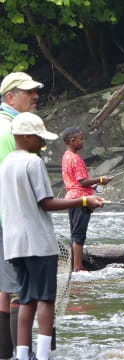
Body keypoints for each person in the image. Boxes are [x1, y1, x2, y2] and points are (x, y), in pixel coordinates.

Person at [0, 112, 104, 360]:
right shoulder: (33, 162)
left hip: (14, 244)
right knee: (46, 300)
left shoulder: (6, 164)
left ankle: (22, 355)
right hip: (38, 243)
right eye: (39, 138)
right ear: (26, 137)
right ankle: (44, 355)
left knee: (25, 299)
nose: (43, 144)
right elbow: (46, 202)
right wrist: (84, 200)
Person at [0, 72, 43, 360]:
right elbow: (14, 180)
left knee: (4, 290)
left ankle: (5, 353)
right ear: (10, 97)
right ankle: (20, 354)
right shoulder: (9, 131)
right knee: (18, 291)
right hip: (11, 222)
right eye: (28, 92)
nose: (35, 96)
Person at [61, 127, 112, 272]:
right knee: (79, 234)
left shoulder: (66, 155)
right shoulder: (75, 158)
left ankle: (74, 265)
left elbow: (78, 182)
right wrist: (101, 179)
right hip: (80, 200)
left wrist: (95, 184)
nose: (83, 141)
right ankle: (78, 267)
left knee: (75, 232)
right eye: (81, 139)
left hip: (72, 198)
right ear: (72, 140)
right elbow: (83, 182)